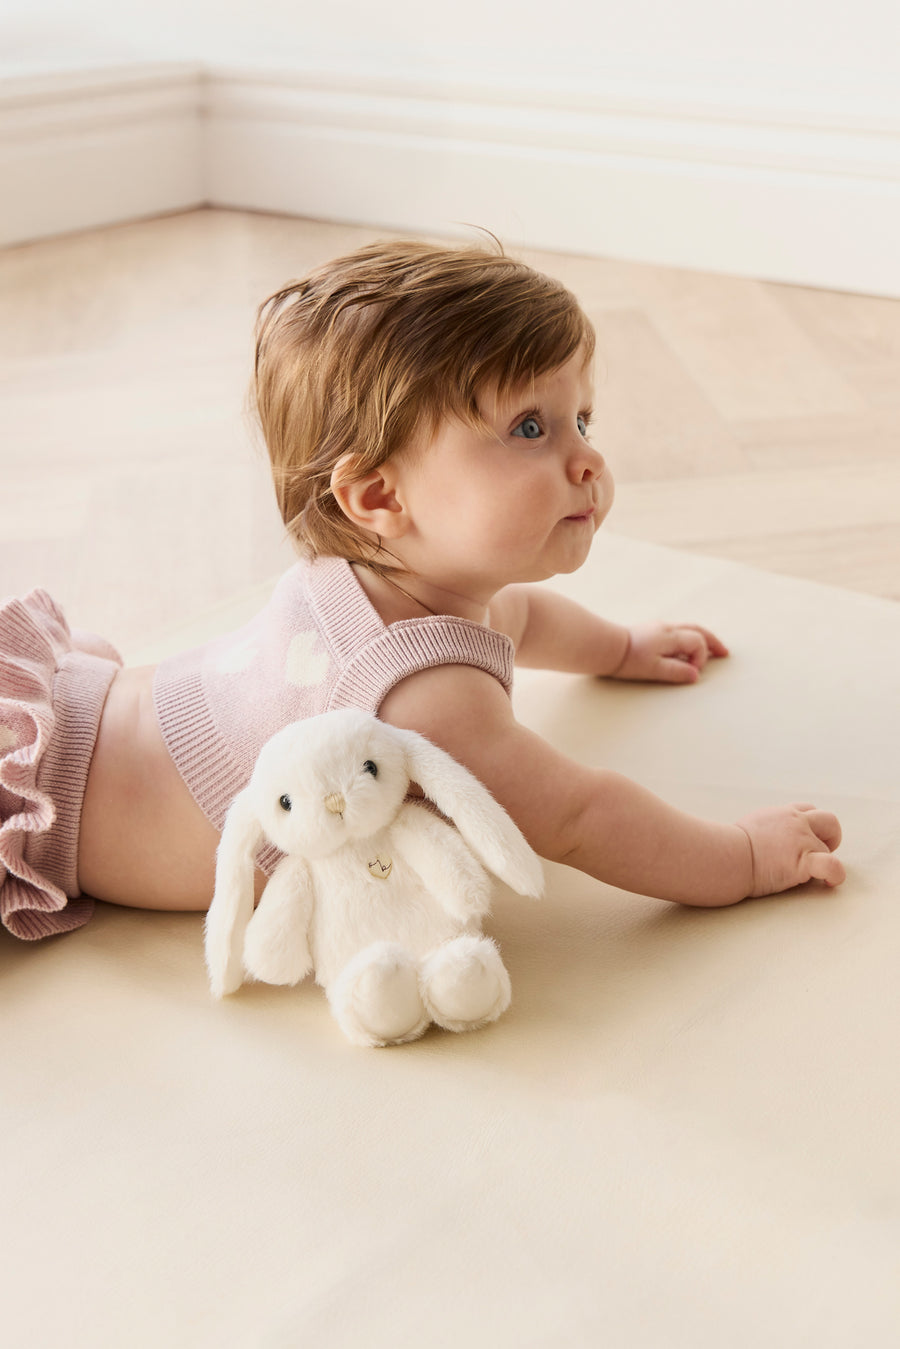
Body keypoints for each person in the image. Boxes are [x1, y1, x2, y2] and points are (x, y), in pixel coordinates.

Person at [0, 239, 844, 941]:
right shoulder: (426, 699)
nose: (587, 458)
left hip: (76, 709)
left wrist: (618, 647)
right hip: (45, 806)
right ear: (378, 495)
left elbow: (519, 619)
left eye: (582, 420)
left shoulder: (400, 580)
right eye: (529, 428)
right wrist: (740, 857)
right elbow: (581, 816)